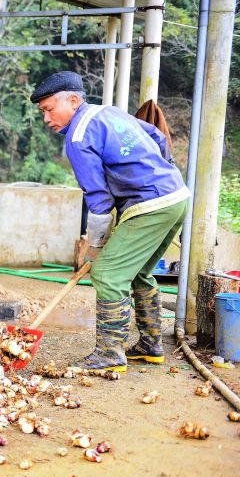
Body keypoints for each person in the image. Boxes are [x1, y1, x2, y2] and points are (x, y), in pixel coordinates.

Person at [31, 71, 190, 372]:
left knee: (107, 273)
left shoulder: (78, 138)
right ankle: (150, 344)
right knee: (139, 271)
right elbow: (157, 136)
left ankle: (109, 353)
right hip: (176, 196)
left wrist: (95, 247)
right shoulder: (108, 112)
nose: (46, 119)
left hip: (150, 204)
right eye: (43, 112)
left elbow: (99, 200)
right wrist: (163, 172)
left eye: (49, 109)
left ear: (73, 100)